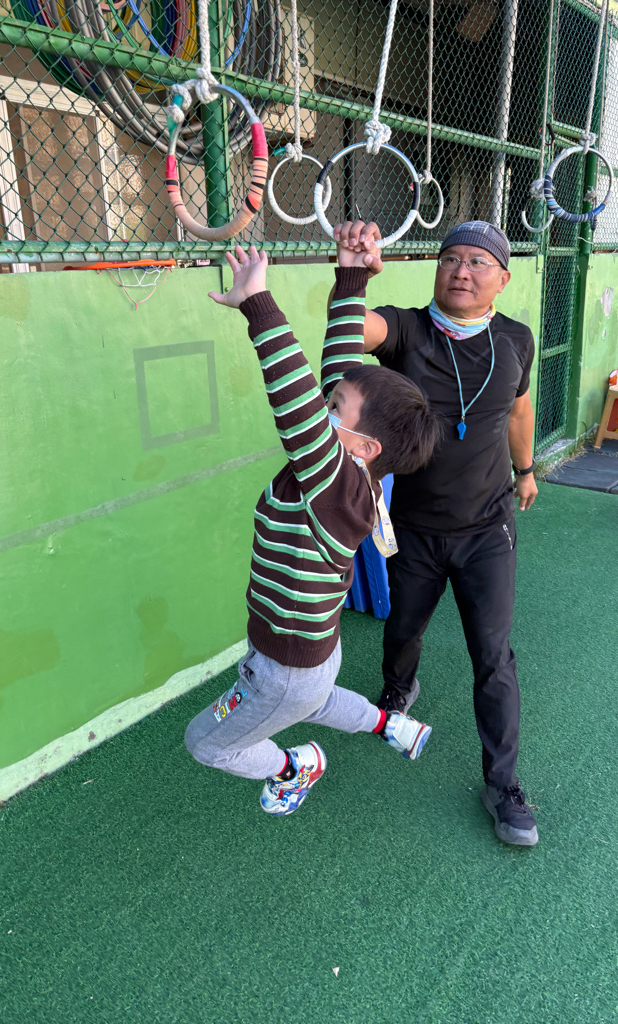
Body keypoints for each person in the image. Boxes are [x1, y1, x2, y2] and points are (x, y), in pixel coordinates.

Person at [184, 244, 439, 817]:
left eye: (335, 409)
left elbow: (296, 403)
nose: (323, 408)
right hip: (314, 654)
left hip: (283, 670)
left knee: (207, 744)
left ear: (364, 447)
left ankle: (294, 767)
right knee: (317, 700)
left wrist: (258, 305)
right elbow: (338, 370)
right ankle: (389, 724)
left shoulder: (336, 484)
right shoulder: (344, 475)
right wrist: (351, 278)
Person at [333, 219, 540, 846]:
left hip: (487, 528)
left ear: (503, 278)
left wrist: (526, 470)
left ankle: (502, 785)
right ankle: (398, 691)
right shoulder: (407, 329)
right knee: (402, 628)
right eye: (451, 258)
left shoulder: (516, 341)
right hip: (416, 530)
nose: (461, 270)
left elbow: (519, 409)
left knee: (493, 656)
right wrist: (351, 276)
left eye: (478, 261)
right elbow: (350, 334)